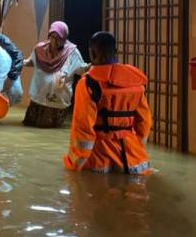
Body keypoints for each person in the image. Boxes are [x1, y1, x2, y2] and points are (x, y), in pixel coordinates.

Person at [64, 31, 152, 175]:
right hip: (134, 159)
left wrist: (76, 166)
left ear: (91, 53)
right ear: (116, 52)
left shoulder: (88, 83)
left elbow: (83, 129)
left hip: (99, 161)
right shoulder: (135, 82)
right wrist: (137, 147)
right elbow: (144, 122)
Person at [22, 21, 89, 128]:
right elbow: (31, 62)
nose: (55, 41)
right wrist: (20, 62)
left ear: (64, 37)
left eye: (59, 38)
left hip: (57, 100)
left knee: (47, 129)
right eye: (52, 37)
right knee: (31, 126)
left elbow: (81, 69)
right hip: (39, 97)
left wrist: (92, 66)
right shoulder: (40, 49)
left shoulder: (72, 52)